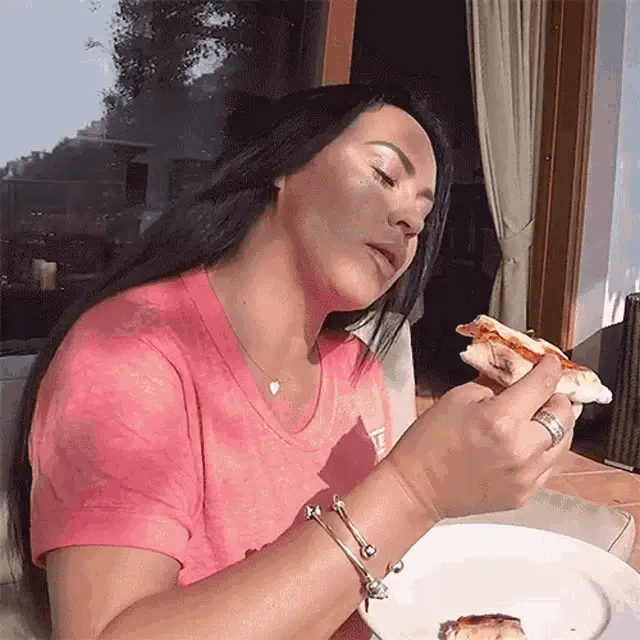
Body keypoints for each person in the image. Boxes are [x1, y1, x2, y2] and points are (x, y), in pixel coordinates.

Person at [7, 83, 576, 640]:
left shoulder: (357, 372)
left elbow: (368, 580)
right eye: (384, 175)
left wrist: (466, 470)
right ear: (284, 163)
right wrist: (416, 488)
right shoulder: (131, 354)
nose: (408, 223)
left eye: (423, 221)